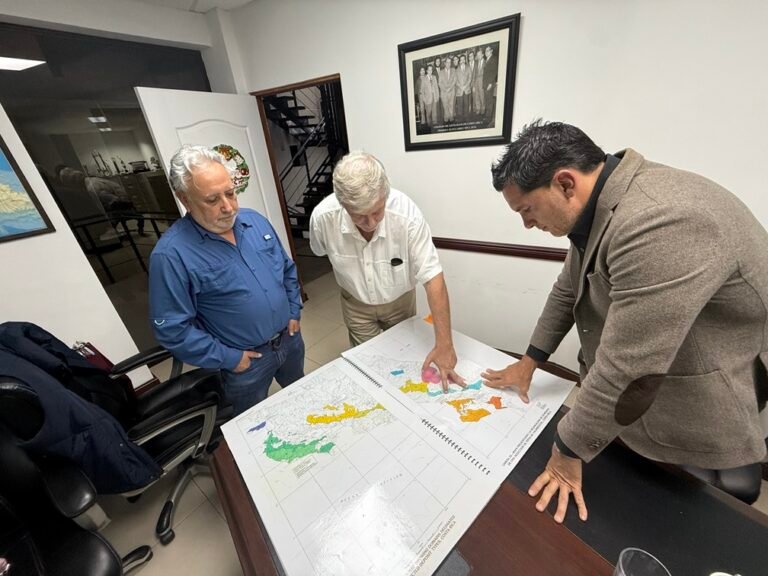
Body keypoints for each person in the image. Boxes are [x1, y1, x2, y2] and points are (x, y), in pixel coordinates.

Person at [484, 120, 768, 522]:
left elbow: (628, 367)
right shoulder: (601, 206)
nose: (526, 224)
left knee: (674, 517)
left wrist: (567, 450)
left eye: (526, 209)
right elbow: (568, 291)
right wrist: (529, 361)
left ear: (565, 183)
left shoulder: (657, 220)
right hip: (655, 380)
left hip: (706, 387)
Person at [149, 145, 304, 415]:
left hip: (289, 340)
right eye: (212, 200)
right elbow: (172, 329)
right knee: (254, 424)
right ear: (185, 199)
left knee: (302, 397)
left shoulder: (255, 221)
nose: (228, 207)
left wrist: (294, 308)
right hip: (245, 362)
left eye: (230, 193)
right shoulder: (171, 255)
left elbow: (287, 270)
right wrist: (230, 359)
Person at [309, 151, 463, 390]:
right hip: (356, 304)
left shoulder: (407, 215)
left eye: (377, 212)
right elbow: (318, 251)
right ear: (343, 204)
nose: (370, 223)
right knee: (371, 371)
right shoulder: (323, 218)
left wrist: (444, 344)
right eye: (359, 216)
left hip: (400, 302)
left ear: (385, 195)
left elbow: (433, 278)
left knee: (405, 363)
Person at [483, 45, 498, 125]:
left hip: (489, 84)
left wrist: (490, 84)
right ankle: (487, 115)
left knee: (489, 102)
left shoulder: (494, 59)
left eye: (488, 50)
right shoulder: (486, 60)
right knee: (486, 100)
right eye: (485, 51)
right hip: (485, 84)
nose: (486, 52)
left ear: (491, 51)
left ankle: (488, 118)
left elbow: (494, 72)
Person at [438, 57, 456, 124]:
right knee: (445, 105)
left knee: (451, 104)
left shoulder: (453, 70)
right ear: (445, 63)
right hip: (444, 92)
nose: (449, 64)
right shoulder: (441, 72)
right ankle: (446, 117)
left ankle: (451, 117)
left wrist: (450, 88)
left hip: (451, 91)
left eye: (450, 62)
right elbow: (440, 83)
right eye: (447, 62)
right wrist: (445, 89)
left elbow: (455, 80)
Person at [455, 54, 472, 123]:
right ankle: (460, 118)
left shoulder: (468, 68)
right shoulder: (457, 69)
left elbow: (470, 78)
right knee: (460, 104)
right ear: (459, 61)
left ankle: (466, 117)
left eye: (463, 59)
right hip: (459, 90)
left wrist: (465, 86)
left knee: (466, 103)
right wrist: (461, 86)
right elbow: (455, 80)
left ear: (465, 60)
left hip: (467, 89)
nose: (462, 61)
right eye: (461, 60)